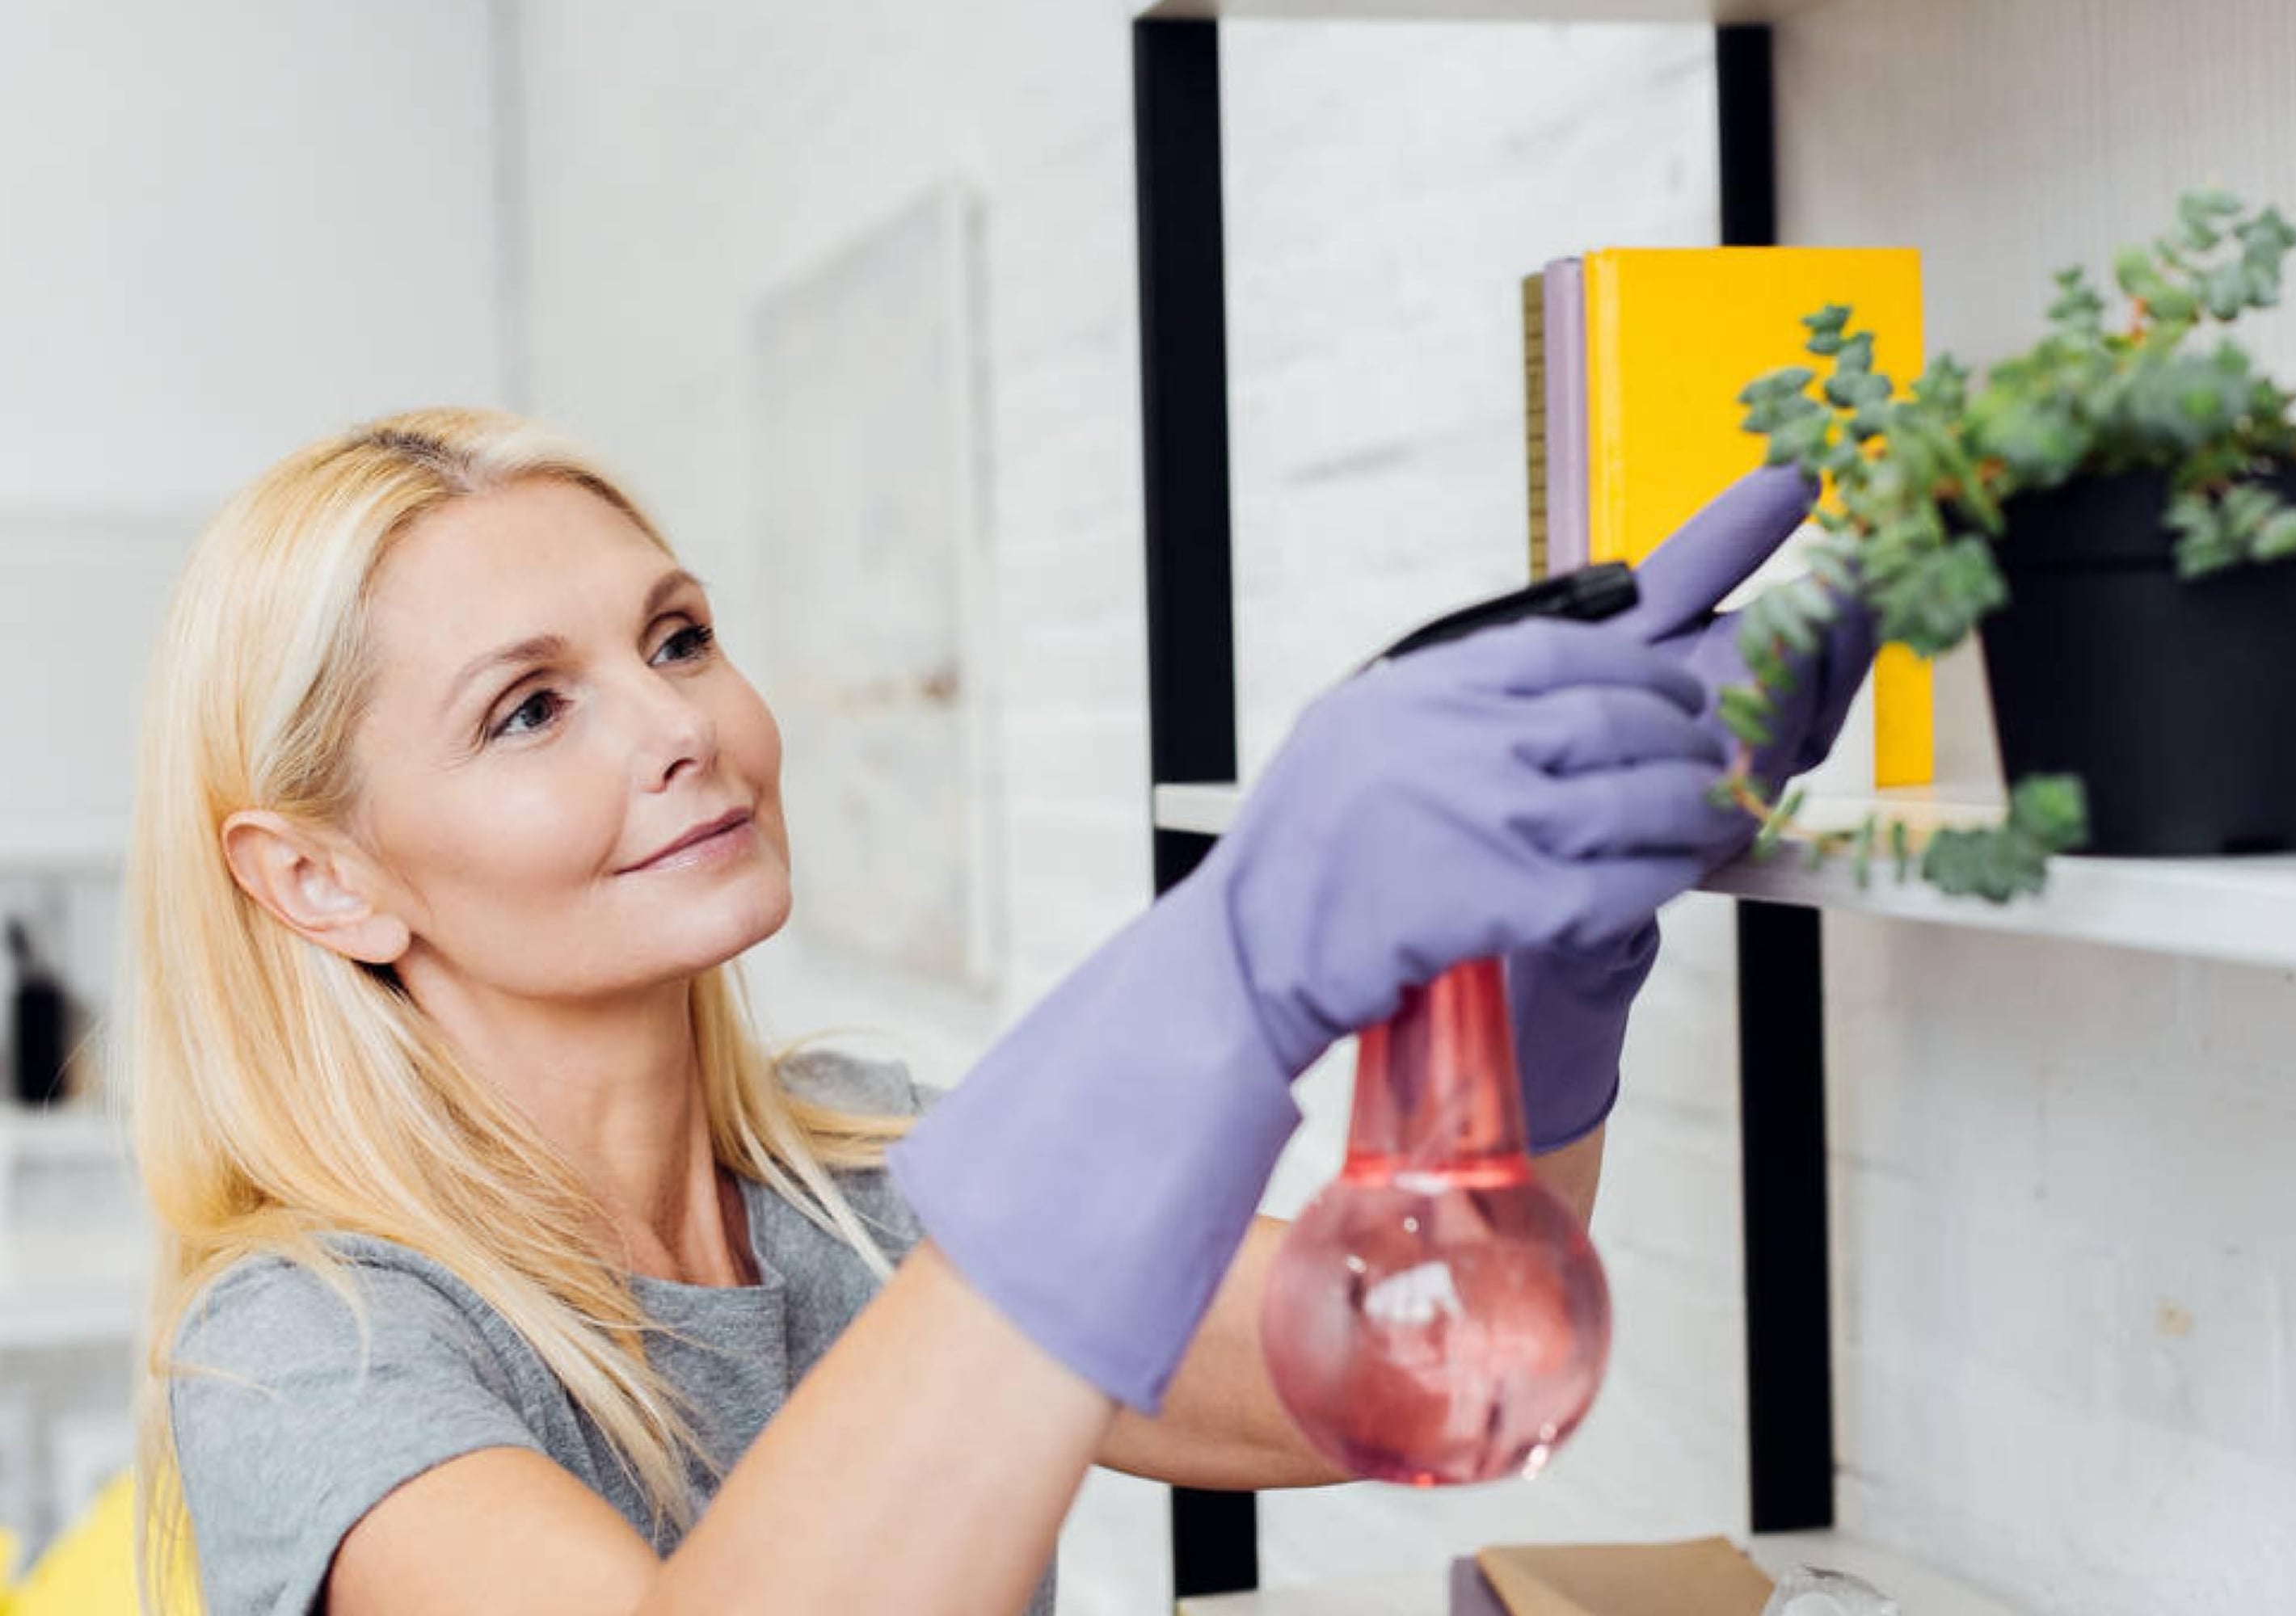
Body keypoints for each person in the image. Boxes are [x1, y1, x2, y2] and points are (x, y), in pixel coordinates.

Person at [126, 406, 1868, 1616]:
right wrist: (1220, 968)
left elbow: (1444, 1370)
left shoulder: (861, 1189)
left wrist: (1546, 952)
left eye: (675, 638)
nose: (676, 728)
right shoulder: (308, 1344)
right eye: (526, 710)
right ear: (318, 881)